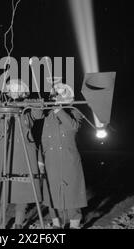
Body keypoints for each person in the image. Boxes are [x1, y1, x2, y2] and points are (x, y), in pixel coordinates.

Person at [0, 79, 43, 229]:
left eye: (17, 88)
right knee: (2, 191)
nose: (14, 90)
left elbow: (38, 114)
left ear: (23, 91)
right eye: (11, 88)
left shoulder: (27, 109)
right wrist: (3, 115)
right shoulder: (2, 106)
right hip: (7, 155)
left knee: (23, 192)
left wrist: (34, 102)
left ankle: (18, 223)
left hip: (25, 155)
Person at [40, 83, 87, 229]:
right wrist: (41, 162)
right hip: (51, 162)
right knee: (52, 193)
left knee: (72, 192)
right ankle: (56, 224)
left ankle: (74, 224)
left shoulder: (75, 111)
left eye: (61, 94)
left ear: (68, 97)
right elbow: (43, 141)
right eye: (56, 95)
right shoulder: (48, 117)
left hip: (69, 160)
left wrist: (59, 110)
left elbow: (73, 127)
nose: (58, 97)